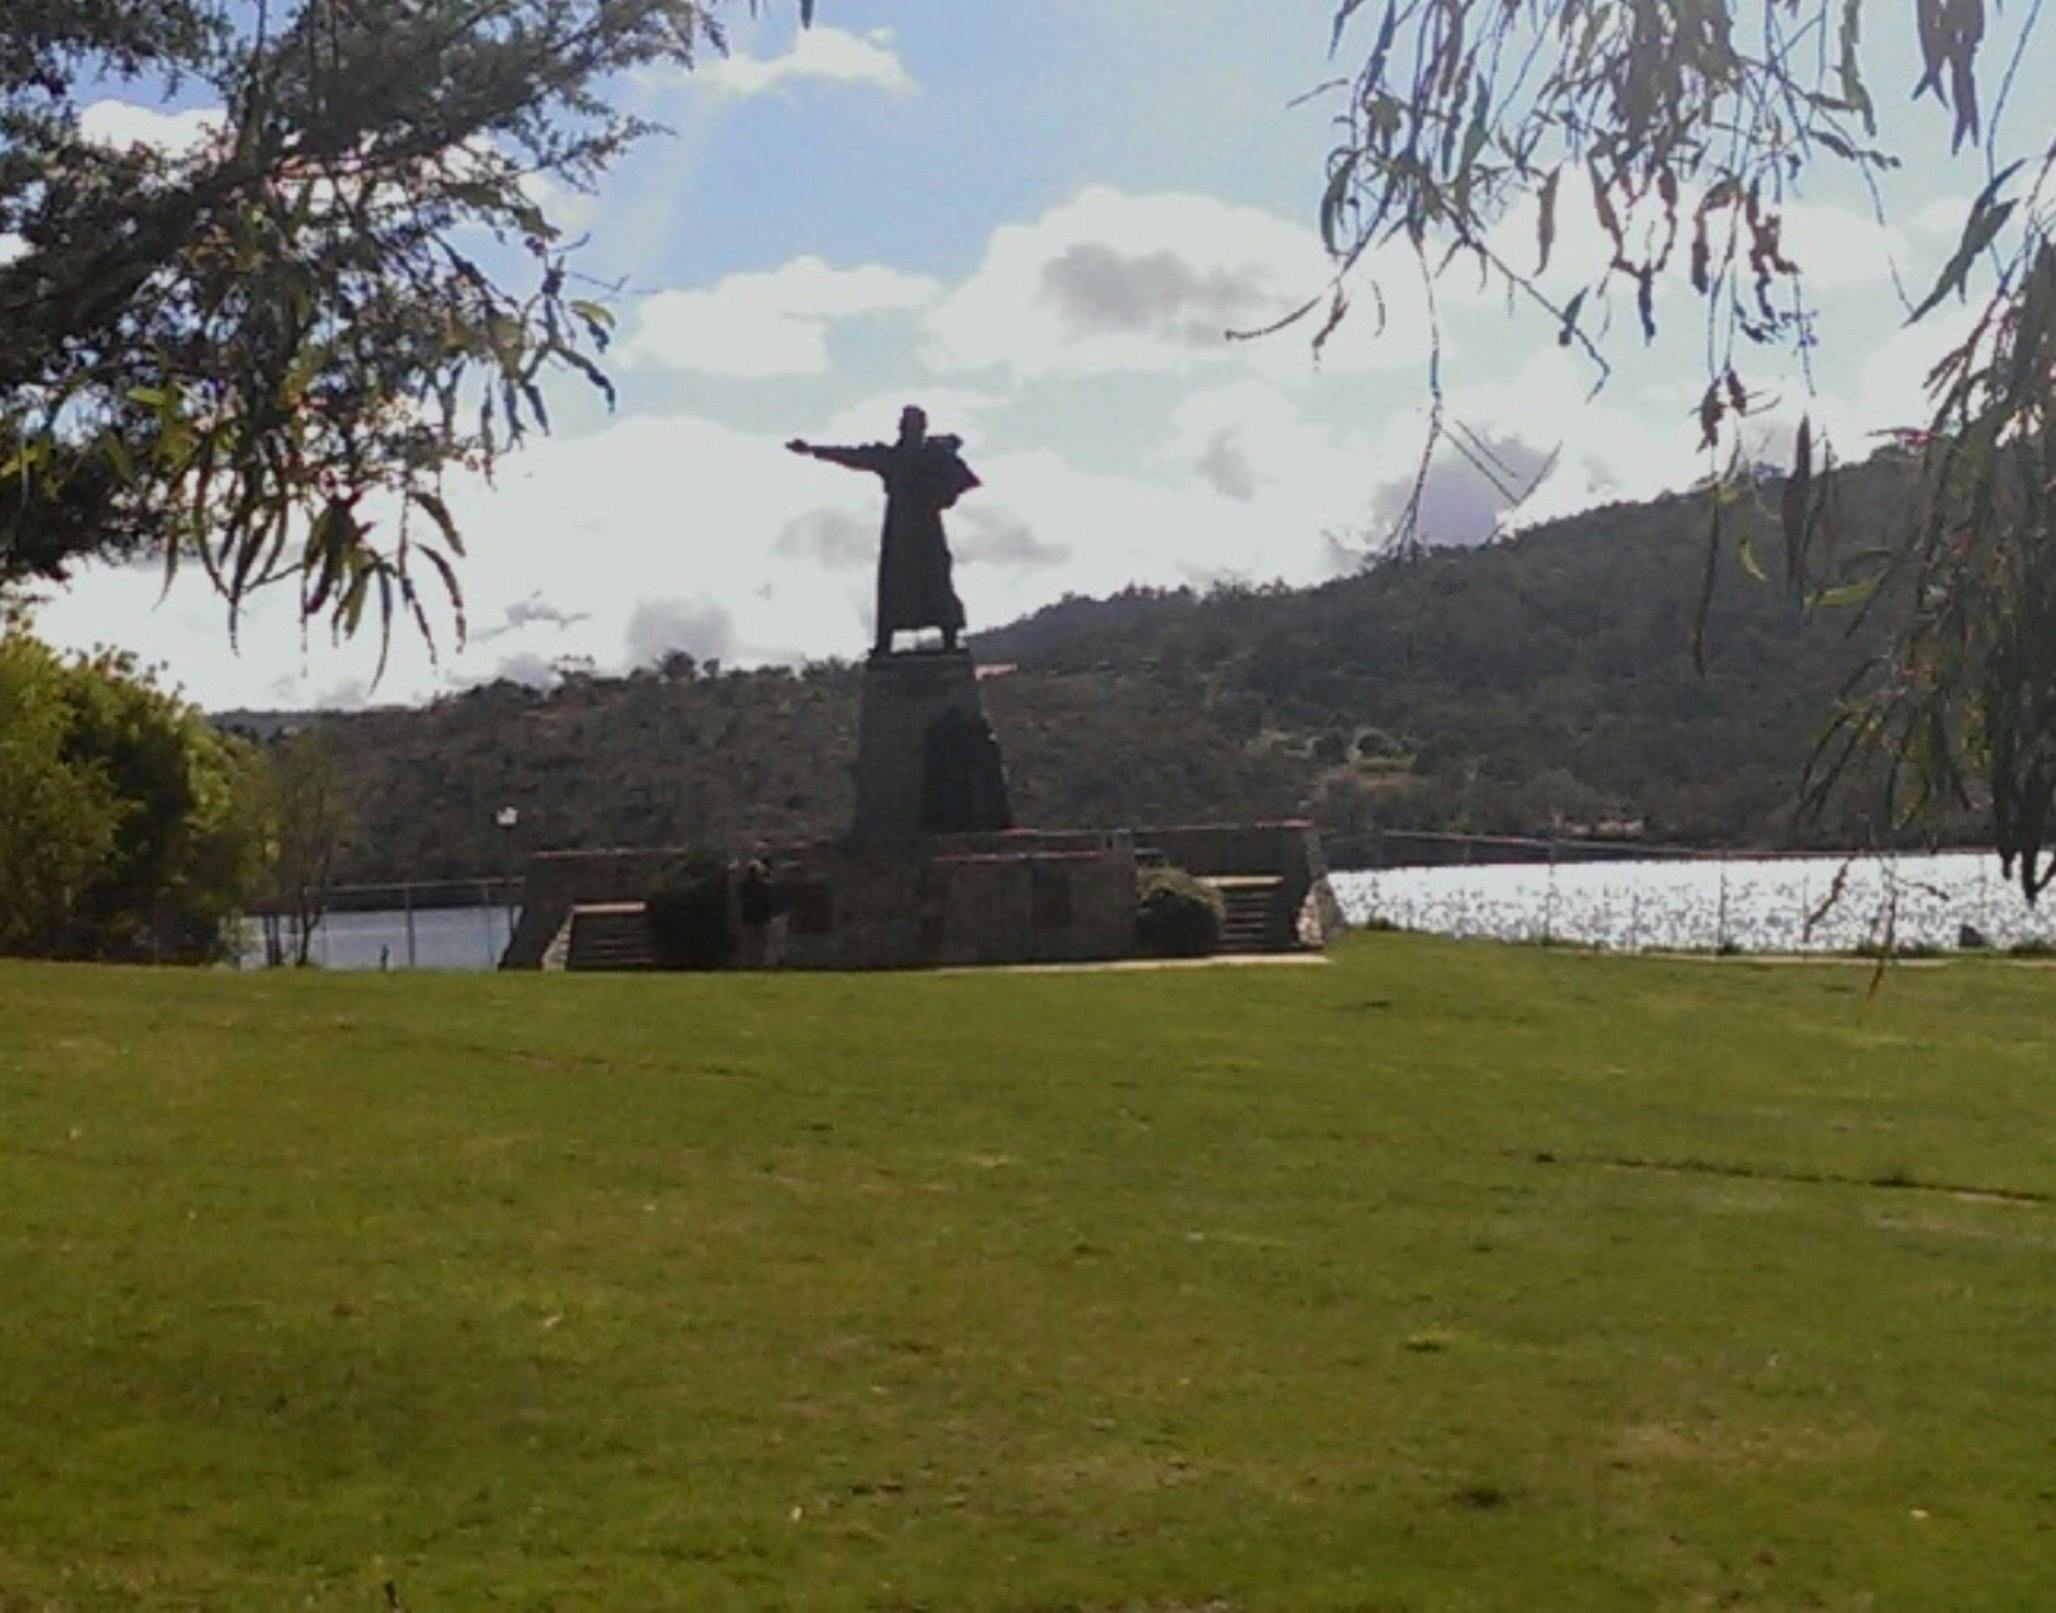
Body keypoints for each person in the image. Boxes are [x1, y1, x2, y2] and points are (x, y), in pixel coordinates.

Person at [788, 406, 980, 655]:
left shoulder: (934, 456)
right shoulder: (893, 456)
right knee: (895, 584)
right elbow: (854, 456)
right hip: (900, 529)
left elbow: (962, 481)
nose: (907, 429)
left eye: (912, 425)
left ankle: (949, 635)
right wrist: (814, 450)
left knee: (935, 578)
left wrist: (941, 495)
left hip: (925, 527)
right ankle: (887, 640)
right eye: (906, 425)